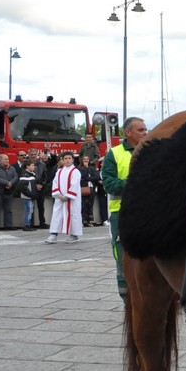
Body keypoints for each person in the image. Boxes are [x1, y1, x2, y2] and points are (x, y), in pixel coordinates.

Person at [103, 117, 148, 299]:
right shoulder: (114, 154)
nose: (145, 133)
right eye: (140, 130)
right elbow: (109, 184)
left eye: (146, 129)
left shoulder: (152, 152)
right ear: (127, 132)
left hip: (149, 212)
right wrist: (134, 182)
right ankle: (127, 299)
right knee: (124, 260)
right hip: (122, 213)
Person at [46, 151, 82, 244]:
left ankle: (74, 235)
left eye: (69, 158)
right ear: (62, 160)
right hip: (60, 198)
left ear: (73, 160)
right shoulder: (59, 171)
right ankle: (53, 234)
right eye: (65, 158)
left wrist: (67, 196)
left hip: (72, 199)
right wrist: (59, 195)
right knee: (57, 215)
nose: (67, 160)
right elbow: (55, 183)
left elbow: (74, 185)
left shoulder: (76, 172)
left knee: (73, 215)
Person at [0, 153, 17, 231]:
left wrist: (11, 183)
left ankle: (9, 225)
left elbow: (16, 176)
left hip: (9, 191)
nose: (7, 160)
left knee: (9, 209)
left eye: (8, 159)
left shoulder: (11, 168)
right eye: (5, 159)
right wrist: (6, 183)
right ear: (0, 160)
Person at [27, 148, 49, 228]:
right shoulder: (26, 164)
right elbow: (25, 175)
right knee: (30, 207)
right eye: (31, 154)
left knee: (41, 207)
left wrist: (42, 185)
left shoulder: (42, 164)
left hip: (41, 188)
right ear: (29, 155)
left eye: (34, 154)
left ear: (37, 155)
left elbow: (45, 177)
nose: (33, 156)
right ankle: (30, 224)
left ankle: (42, 223)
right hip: (31, 188)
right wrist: (34, 185)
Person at [77, 155, 99, 226]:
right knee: (83, 204)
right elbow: (81, 176)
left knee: (90, 204)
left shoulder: (92, 168)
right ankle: (83, 220)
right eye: (84, 159)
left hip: (91, 188)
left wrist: (87, 178)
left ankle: (89, 220)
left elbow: (96, 177)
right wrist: (86, 170)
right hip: (82, 188)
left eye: (87, 159)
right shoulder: (79, 169)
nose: (86, 161)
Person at [18, 160, 39, 232]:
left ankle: (29, 224)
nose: (34, 167)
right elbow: (23, 188)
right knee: (29, 210)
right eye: (32, 165)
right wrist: (32, 194)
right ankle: (27, 225)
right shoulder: (25, 175)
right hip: (27, 197)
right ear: (27, 166)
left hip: (30, 196)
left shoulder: (31, 174)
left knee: (30, 210)